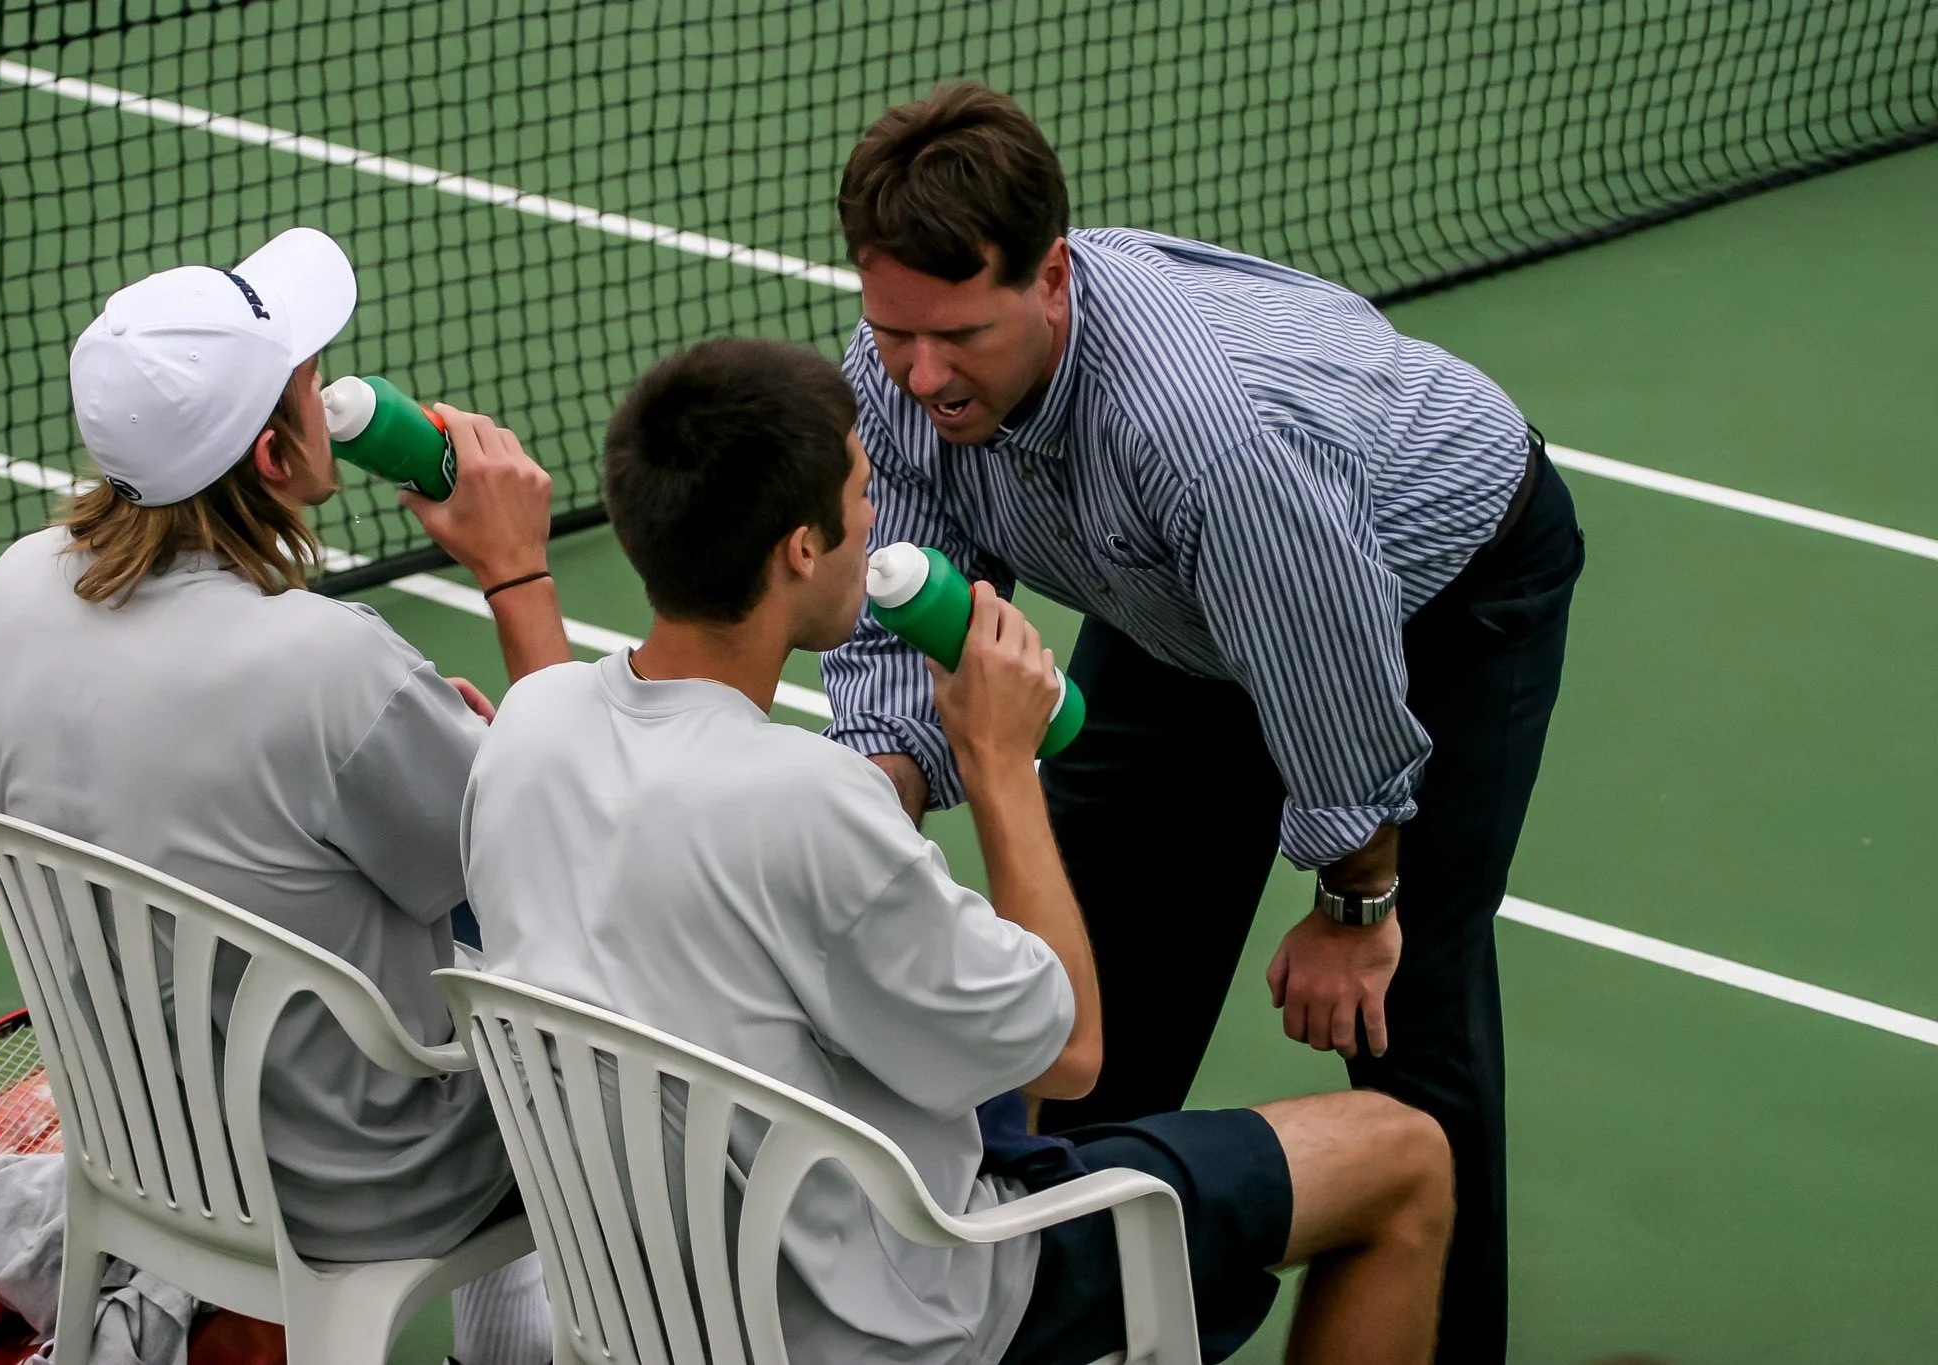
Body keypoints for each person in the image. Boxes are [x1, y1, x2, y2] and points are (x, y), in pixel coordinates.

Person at [462, 336, 1455, 1365]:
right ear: (799, 548)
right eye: (857, 492)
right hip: (887, 1311)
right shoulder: (810, 797)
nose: (872, 516)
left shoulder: (530, 722)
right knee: (1400, 1156)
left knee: (977, 1071)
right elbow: (1068, 1052)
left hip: (644, 1300)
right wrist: (996, 765)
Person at [819, 83, 1586, 1362]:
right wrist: (869, 792)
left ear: (1050, 278)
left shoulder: (1202, 435)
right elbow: (915, 586)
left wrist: (1351, 907)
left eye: (955, 335)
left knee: (1405, 1010)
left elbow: (1328, 669)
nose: (920, 373)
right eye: (893, 330)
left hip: (1437, 594)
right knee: (1075, 1003)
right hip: (1171, 597)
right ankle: (1041, 1321)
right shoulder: (898, 373)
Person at [0, 227, 568, 1365]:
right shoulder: (330, 666)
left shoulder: (6, 594)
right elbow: (575, 863)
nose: (326, 389)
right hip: (353, 1188)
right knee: (586, 1040)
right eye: (305, 383)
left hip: (133, 1138)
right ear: (275, 457)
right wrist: (516, 573)